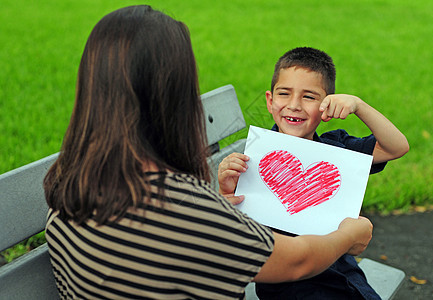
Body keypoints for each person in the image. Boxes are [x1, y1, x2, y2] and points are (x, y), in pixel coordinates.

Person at [44, 8, 374, 299]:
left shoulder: (72, 183)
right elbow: (297, 261)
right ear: (174, 96)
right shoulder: (181, 207)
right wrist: (347, 236)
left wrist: (218, 215)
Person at [218, 47, 409, 299]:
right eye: (284, 94)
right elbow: (238, 230)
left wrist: (359, 105)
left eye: (309, 97)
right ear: (270, 100)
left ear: (326, 105)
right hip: (289, 288)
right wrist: (226, 189)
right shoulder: (254, 162)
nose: (294, 106)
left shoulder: (337, 149)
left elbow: (396, 147)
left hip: (348, 282)